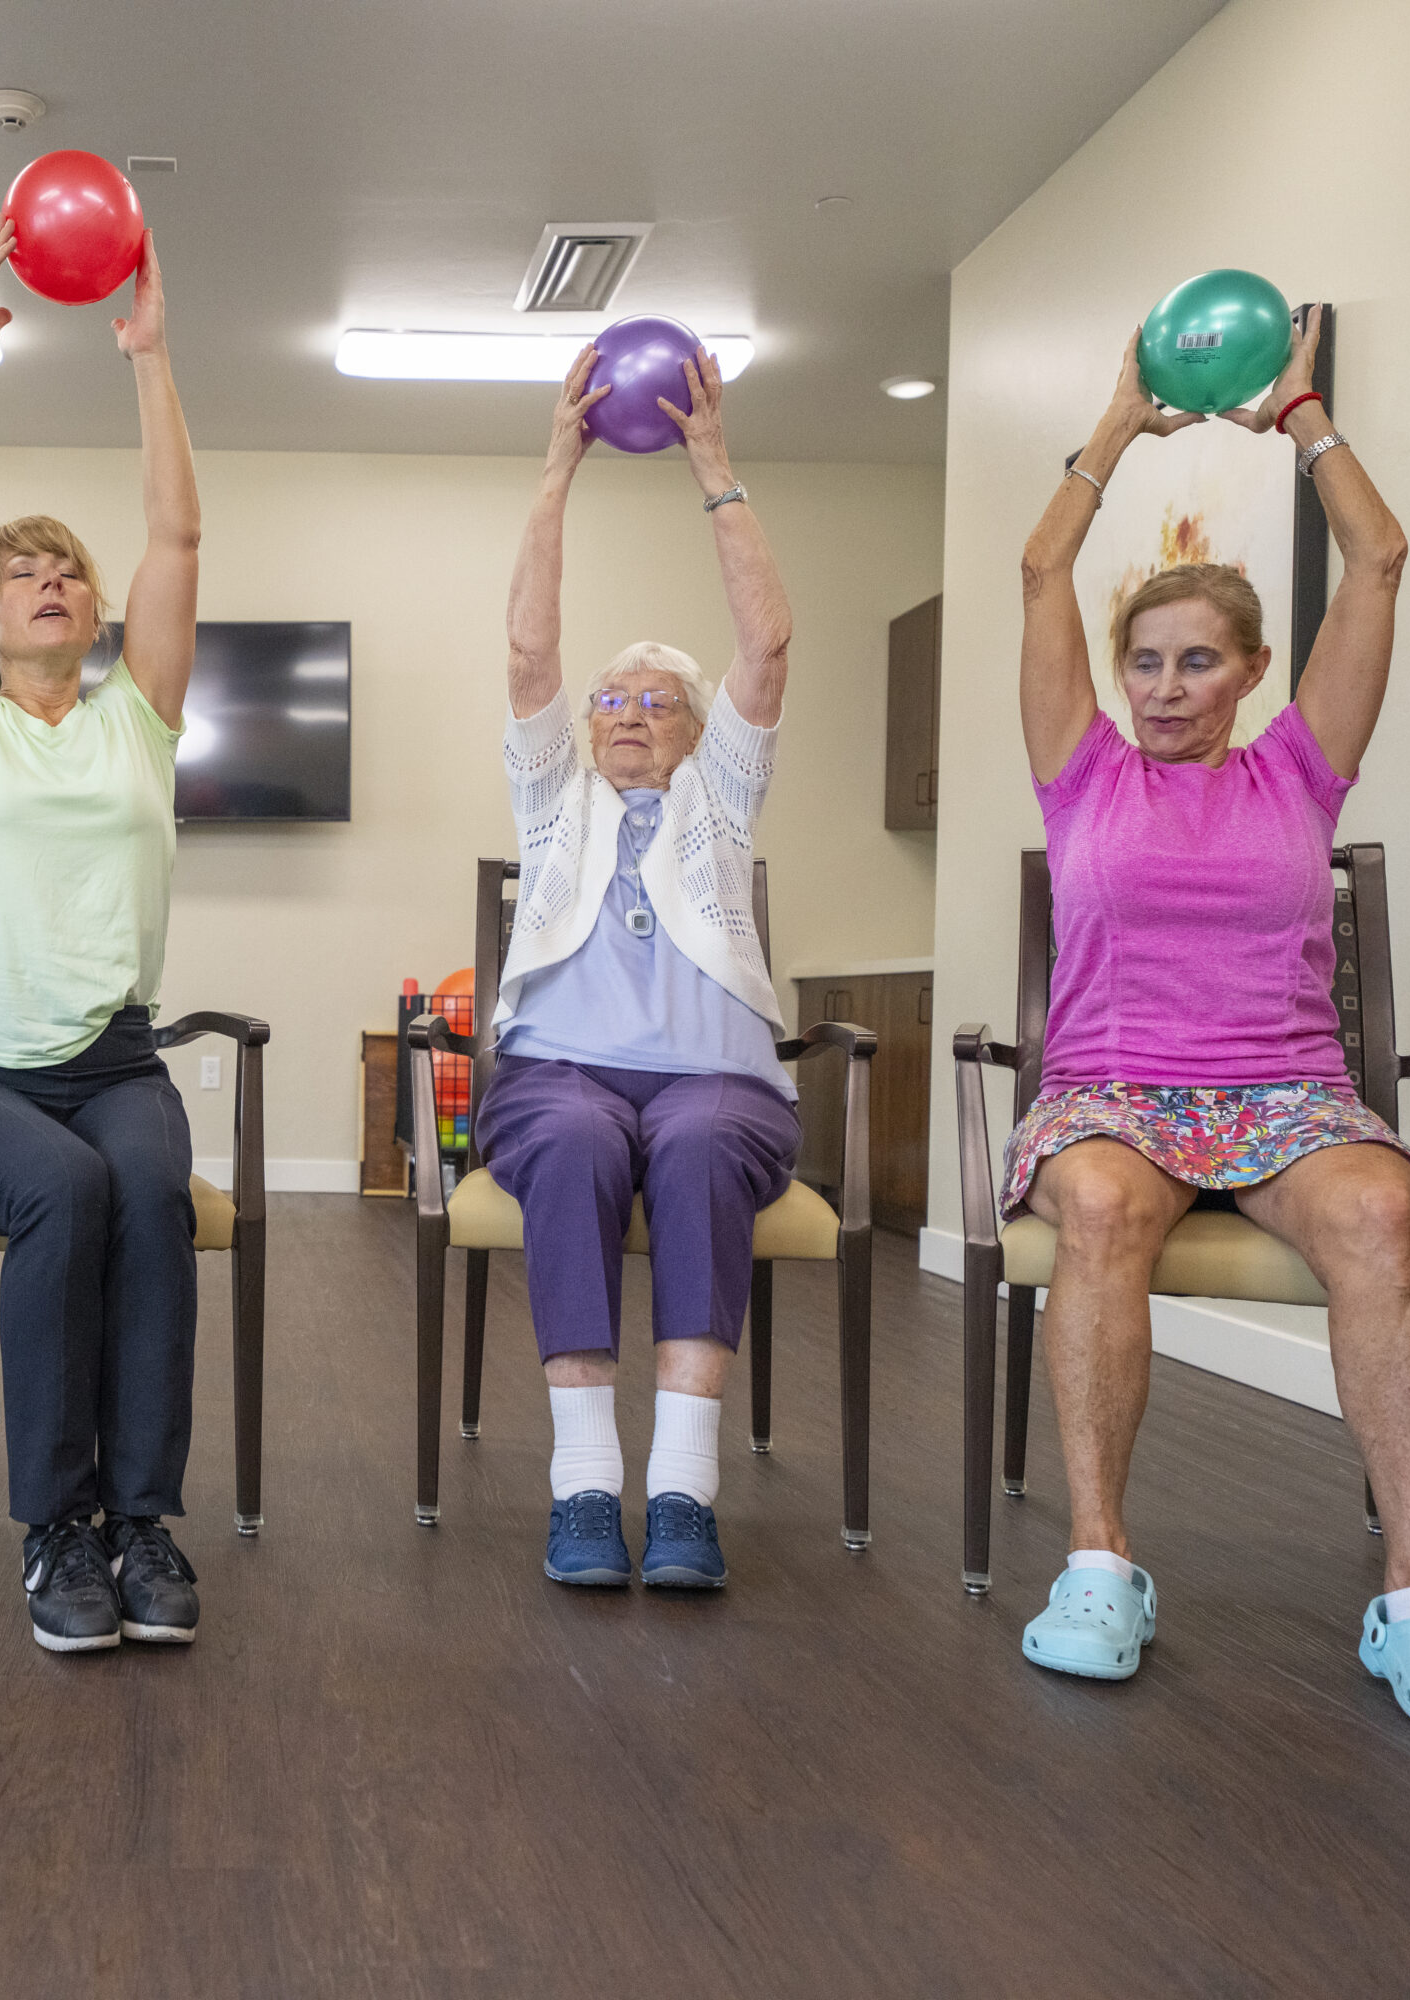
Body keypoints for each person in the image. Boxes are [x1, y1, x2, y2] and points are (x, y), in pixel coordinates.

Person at [1002, 308, 1410, 1741]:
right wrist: (1119, 420)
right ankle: (1103, 1564)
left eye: (1198, 663)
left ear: (1249, 675)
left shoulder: (1303, 770)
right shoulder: (1081, 773)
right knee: (1102, 1202)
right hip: (1112, 1089)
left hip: (1286, 1094)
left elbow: (1382, 559)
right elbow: (1044, 564)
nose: (1167, 690)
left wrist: (1303, 414)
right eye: (1149, 665)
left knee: (1376, 1214)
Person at [0, 219, 205, 1655]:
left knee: (148, 1192)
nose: (50, 579)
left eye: (66, 566)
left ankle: (144, 1525)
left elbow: (179, 534)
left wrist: (148, 357)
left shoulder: (141, 715)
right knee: (68, 1194)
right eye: (20, 571)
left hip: (117, 1061)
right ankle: (56, 1532)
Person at [477, 346, 801, 1592]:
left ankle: (682, 1493)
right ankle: (580, 1488)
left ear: (699, 726)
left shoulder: (722, 796)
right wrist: (560, 465)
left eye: (654, 698)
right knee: (568, 1138)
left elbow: (766, 645)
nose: (620, 710)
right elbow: (524, 651)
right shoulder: (555, 796)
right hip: (560, 1070)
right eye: (608, 696)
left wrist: (711, 463)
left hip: (716, 1081)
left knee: (703, 1144)